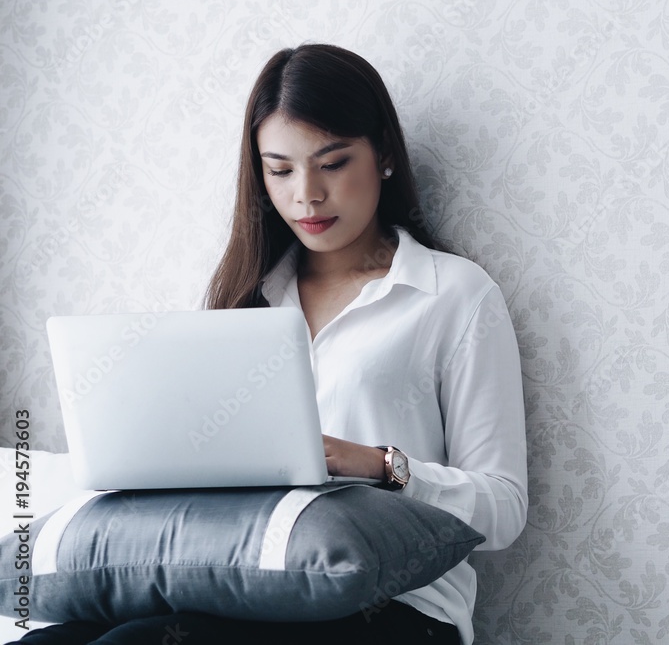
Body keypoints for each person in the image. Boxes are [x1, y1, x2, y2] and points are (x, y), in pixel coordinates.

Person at [14, 44, 528, 644]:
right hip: (246, 582)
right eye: (280, 170)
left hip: (398, 607)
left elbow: (504, 509)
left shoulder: (453, 294)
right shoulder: (245, 298)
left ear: (384, 154)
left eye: (332, 163)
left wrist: (380, 465)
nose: (306, 195)